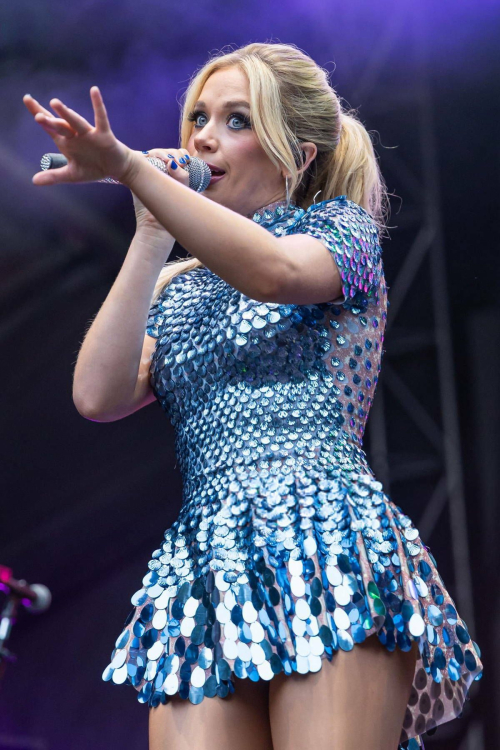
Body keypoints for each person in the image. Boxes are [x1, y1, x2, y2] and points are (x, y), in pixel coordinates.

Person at [24, 41, 482, 750]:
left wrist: (129, 168)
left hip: (324, 539)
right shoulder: (178, 289)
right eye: (198, 117)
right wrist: (151, 227)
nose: (203, 136)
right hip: (205, 565)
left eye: (236, 120)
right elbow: (98, 394)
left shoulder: (338, 233)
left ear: (295, 155)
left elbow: (270, 273)